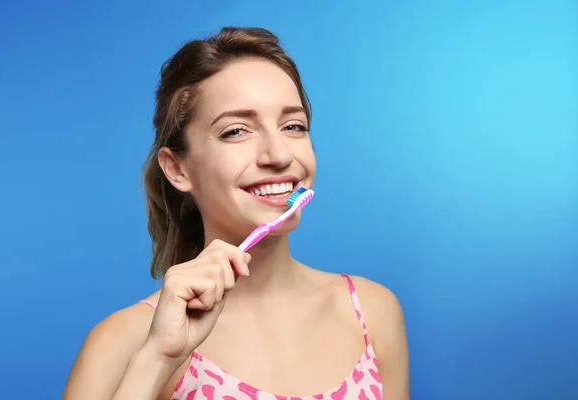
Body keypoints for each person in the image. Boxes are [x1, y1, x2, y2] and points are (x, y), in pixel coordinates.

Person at [62, 27, 409, 400]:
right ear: (178, 168)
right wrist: (159, 358)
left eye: (293, 126)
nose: (278, 155)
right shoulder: (125, 341)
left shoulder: (371, 311)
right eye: (236, 131)